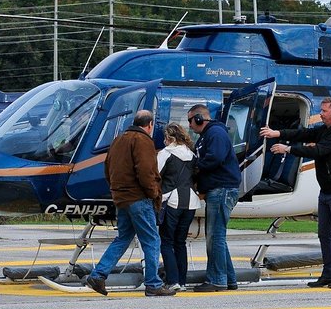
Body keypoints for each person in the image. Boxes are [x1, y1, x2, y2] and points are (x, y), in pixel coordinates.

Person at [260, 97, 331, 288]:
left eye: (324, 111)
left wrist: (287, 149)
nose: (320, 113)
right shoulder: (324, 130)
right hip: (327, 191)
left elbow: (317, 151)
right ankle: (329, 274)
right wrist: (276, 132)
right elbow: (303, 134)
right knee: (324, 234)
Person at [86, 110, 175, 297]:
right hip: (139, 198)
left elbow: (108, 167)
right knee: (151, 240)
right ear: (150, 125)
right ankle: (153, 283)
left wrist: (116, 190)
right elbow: (145, 171)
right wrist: (153, 193)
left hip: (121, 198)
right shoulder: (143, 141)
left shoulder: (119, 139)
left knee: (123, 238)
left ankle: (99, 274)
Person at [187, 104, 241, 292]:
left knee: (215, 236)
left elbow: (215, 158)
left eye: (191, 121)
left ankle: (217, 280)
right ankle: (229, 279)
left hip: (222, 189)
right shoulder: (207, 136)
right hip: (217, 189)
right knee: (217, 236)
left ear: (200, 118)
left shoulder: (215, 133)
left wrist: (195, 166)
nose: (190, 125)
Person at [157, 123, 201, 292]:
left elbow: (155, 174)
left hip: (171, 200)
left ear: (169, 138)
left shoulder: (166, 153)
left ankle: (172, 280)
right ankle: (182, 281)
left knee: (166, 241)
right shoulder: (191, 154)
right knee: (180, 242)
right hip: (190, 201)